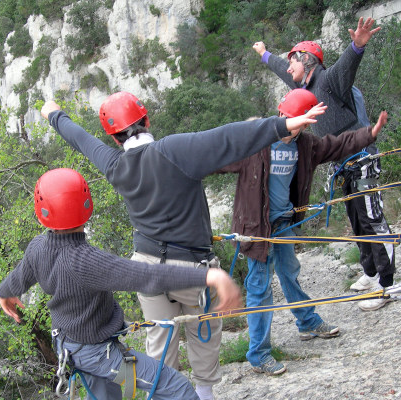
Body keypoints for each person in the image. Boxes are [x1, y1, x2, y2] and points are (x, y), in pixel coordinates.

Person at [40, 93, 325, 400]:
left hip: (145, 269)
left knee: (161, 346)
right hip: (192, 270)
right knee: (203, 336)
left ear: (113, 136)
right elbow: (227, 138)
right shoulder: (173, 150)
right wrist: (281, 126)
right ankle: (203, 394)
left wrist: (55, 115)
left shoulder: (114, 164)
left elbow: (80, 139)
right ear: (147, 120)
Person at [0, 168, 244, 400]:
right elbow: (147, 275)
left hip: (69, 344)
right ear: (87, 207)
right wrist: (208, 276)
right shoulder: (87, 261)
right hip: (98, 353)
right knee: (178, 388)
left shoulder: (37, 247)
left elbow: (19, 279)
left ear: (42, 214)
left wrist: (3, 293)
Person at [219, 89, 388, 375]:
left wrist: (368, 134)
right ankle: (258, 354)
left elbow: (337, 144)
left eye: (297, 119)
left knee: (290, 272)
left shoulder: (305, 145)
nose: (290, 122)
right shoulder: (256, 141)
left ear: (306, 122)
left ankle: (307, 322)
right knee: (260, 289)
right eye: (286, 116)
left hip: (284, 222)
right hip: (257, 229)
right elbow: (217, 157)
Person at [252, 16, 394, 312]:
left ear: (309, 61)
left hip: (362, 159)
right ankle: (370, 273)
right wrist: (264, 53)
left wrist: (357, 46)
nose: (288, 67)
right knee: (357, 221)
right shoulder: (306, 88)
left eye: (294, 61)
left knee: (372, 220)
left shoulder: (330, 81)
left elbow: (346, 66)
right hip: (344, 166)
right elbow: (282, 70)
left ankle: (387, 284)